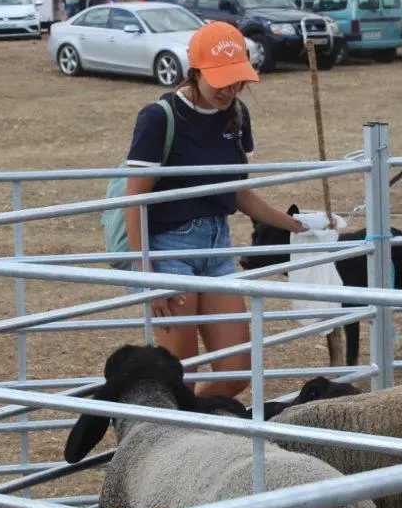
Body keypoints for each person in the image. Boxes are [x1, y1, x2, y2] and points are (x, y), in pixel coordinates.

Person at [123, 22, 306, 398]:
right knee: (180, 376)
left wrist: (298, 225)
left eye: (237, 80)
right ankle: (175, 427)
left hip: (218, 247)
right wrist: (147, 275)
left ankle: (190, 418)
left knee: (237, 372)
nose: (230, 89)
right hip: (169, 251)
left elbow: (237, 193)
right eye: (221, 80)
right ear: (196, 70)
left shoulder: (236, 115)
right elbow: (133, 199)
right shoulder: (159, 118)